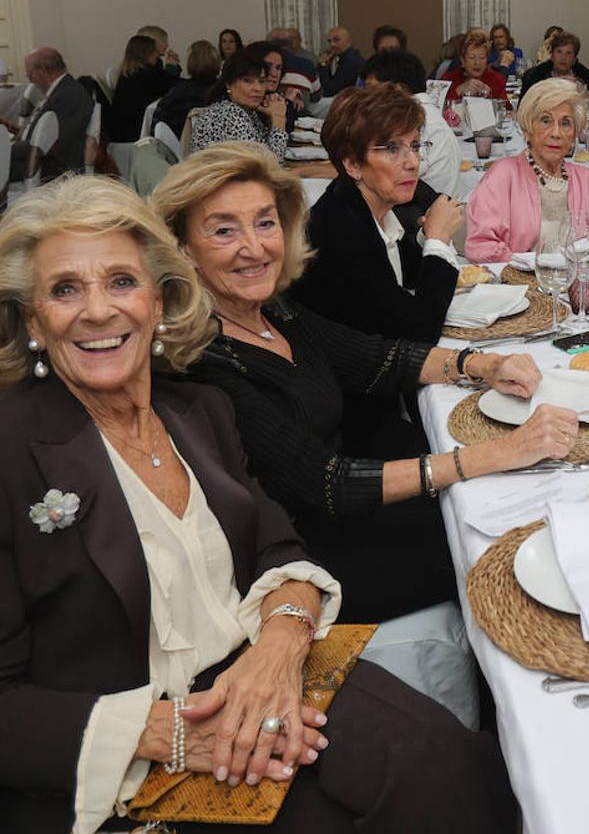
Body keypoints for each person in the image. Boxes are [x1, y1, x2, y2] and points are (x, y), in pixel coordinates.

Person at [0, 174, 520, 834]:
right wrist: (174, 734)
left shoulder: (196, 410)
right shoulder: (14, 447)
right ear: (31, 321)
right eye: (65, 289)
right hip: (128, 752)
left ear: (161, 302)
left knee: (459, 770)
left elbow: (278, 544)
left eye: (122, 282)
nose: (99, 311)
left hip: (256, 676)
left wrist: (279, 644)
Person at [151, 142, 582, 624]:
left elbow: (378, 357)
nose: (254, 246)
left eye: (265, 222)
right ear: (182, 247)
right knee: (498, 550)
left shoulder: (271, 311)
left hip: (347, 517)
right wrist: (498, 454)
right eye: (224, 230)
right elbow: (327, 483)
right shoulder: (204, 360)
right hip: (308, 564)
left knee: (510, 511)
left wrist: (480, 363)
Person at [293, 83, 460, 343]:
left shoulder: (368, 205)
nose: (413, 162)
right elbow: (420, 332)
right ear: (352, 163)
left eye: (415, 145)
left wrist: (427, 237)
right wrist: (438, 241)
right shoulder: (341, 231)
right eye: (392, 149)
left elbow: (400, 277)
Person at [467, 78, 589, 262]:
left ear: (574, 133)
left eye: (566, 123)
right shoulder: (502, 175)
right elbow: (480, 245)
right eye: (545, 120)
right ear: (527, 129)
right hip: (518, 285)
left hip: (579, 283)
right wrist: (529, 266)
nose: (556, 133)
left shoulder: (588, 181)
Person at [361, 50, 458, 196]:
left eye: (371, 88)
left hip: (423, 211)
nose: (366, 95)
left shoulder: (416, 120)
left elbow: (380, 173)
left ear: (397, 89)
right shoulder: (424, 112)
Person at [3, 48, 93, 182]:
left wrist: (7, 148)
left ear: (43, 70)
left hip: (49, 168)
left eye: (30, 76)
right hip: (39, 158)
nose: (31, 81)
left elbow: (54, 144)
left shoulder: (67, 95)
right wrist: (18, 132)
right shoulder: (64, 89)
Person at [190, 48, 287, 161]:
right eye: (247, 81)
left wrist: (270, 115)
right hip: (218, 178)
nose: (258, 88)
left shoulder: (245, 110)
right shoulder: (229, 114)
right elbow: (268, 166)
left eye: (262, 81)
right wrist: (278, 118)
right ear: (228, 84)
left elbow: (265, 151)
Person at [108, 34, 178, 142]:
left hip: (124, 131)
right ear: (146, 54)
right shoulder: (143, 76)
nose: (158, 55)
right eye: (155, 51)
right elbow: (168, 86)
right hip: (132, 133)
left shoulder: (132, 73)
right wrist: (171, 68)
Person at [153, 40, 220, 138]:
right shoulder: (226, 93)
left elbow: (158, 125)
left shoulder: (177, 93)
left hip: (182, 148)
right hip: (220, 148)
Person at [520, 32, 589, 106]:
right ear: (552, 56)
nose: (563, 57)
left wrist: (582, 90)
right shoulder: (535, 76)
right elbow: (523, 107)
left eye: (568, 53)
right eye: (559, 52)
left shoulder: (588, 77)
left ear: (574, 59)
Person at [445, 29, 509, 106]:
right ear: (463, 61)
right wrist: (458, 91)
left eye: (482, 57)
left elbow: (507, 111)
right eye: (471, 57)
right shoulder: (448, 79)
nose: (477, 63)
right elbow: (436, 109)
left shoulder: (496, 80)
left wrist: (491, 98)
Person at [318, 26, 364, 97]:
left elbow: (329, 91)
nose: (332, 44)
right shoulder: (345, 57)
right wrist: (328, 65)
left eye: (336, 40)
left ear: (348, 41)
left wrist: (322, 65)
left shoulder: (350, 61)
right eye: (329, 41)